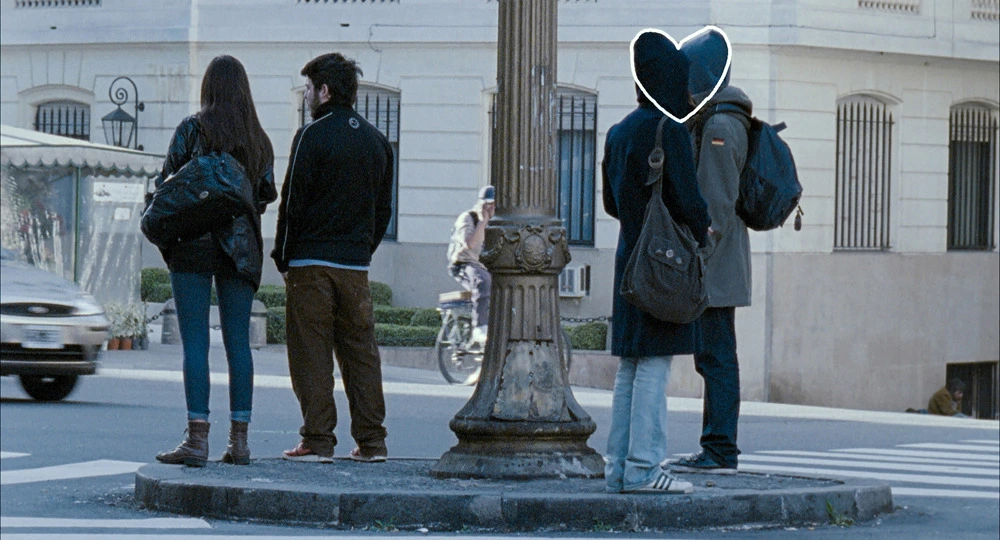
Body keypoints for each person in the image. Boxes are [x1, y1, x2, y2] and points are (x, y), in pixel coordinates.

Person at [601, 31, 711, 494]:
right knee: (654, 366)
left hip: (629, 257)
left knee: (630, 366)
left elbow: (610, 203)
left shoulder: (618, 131)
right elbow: (689, 202)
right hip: (663, 264)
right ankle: (645, 468)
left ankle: (618, 469)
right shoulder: (671, 131)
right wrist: (703, 228)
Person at [155, 55, 277, 467]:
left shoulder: (191, 129)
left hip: (190, 243)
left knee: (195, 342)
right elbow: (264, 194)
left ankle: (197, 440)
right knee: (238, 343)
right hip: (240, 248)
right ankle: (239, 442)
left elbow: (167, 182)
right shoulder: (258, 139)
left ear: (208, 87)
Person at [272, 53, 394, 463]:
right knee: (361, 354)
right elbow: (383, 210)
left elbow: (292, 202)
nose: (307, 95)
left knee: (311, 352)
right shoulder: (377, 141)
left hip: (310, 263)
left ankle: (318, 439)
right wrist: (362, 249)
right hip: (355, 267)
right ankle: (373, 442)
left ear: (324, 91)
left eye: (309, 87)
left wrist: (283, 255)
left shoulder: (311, 135)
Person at [671, 29, 753, 476]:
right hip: (718, 265)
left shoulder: (720, 126)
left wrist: (696, 260)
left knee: (717, 359)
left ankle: (720, 449)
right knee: (714, 357)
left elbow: (716, 205)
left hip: (716, 268)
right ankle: (717, 447)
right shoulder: (717, 119)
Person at [446, 185, 496, 346]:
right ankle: (479, 327)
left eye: (494, 205)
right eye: (488, 204)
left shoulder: (496, 223)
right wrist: (482, 221)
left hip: (484, 266)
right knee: (483, 280)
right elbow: (469, 244)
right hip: (463, 264)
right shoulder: (468, 218)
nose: (491, 208)